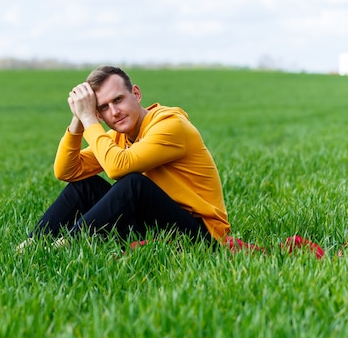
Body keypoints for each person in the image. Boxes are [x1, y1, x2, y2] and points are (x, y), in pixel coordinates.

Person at [17, 65, 230, 251]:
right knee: (85, 186)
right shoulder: (118, 138)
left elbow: (118, 167)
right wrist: (78, 120)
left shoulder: (171, 126)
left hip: (202, 235)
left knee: (134, 184)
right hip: (155, 227)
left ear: (136, 94)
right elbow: (67, 171)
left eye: (118, 100)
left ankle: (62, 246)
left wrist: (90, 119)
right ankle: (30, 246)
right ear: (99, 114)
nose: (115, 112)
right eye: (103, 108)